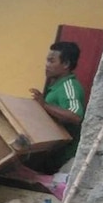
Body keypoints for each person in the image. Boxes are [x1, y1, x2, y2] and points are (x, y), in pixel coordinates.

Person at [29, 41, 86, 173]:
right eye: (47, 61)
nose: (46, 65)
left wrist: (44, 105)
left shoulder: (69, 86)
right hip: (51, 154)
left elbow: (76, 116)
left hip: (63, 159)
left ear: (65, 64)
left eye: (51, 61)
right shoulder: (58, 86)